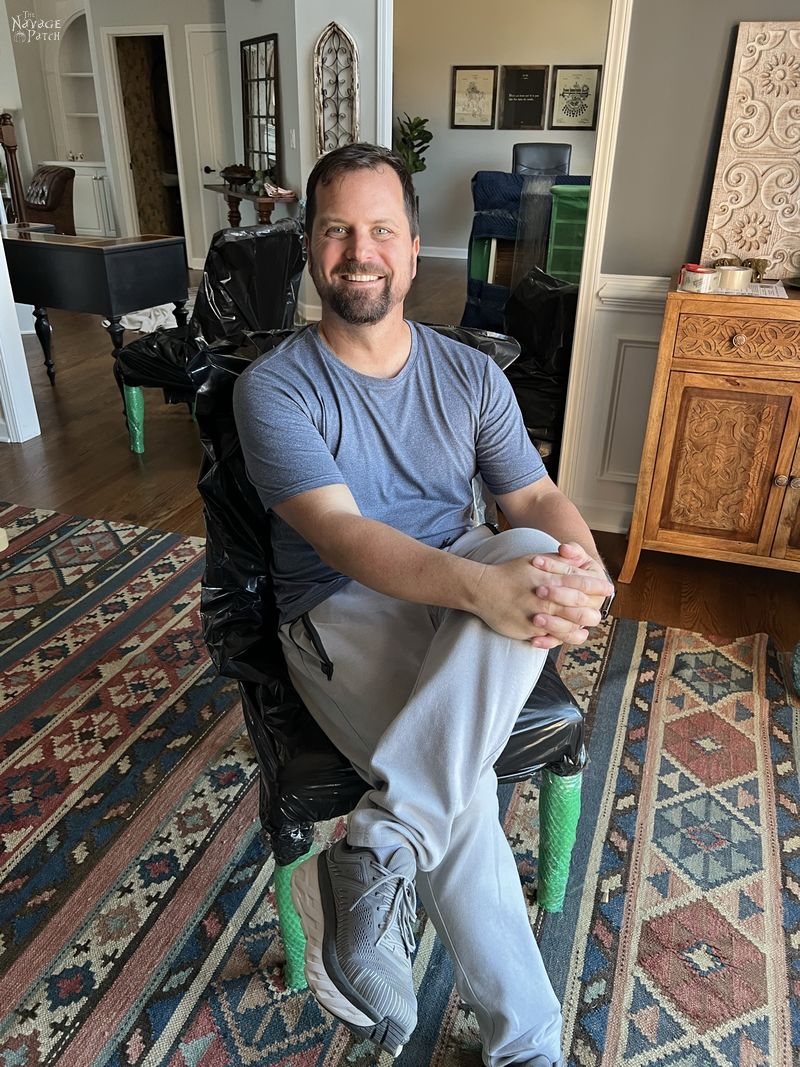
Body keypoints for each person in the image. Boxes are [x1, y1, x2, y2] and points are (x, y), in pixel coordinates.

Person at [233, 143, 614, 1067]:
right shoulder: (274, 387)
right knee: (462, 787)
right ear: (311, 248)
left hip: (456, 595)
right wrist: (487, 587)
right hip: (338, 611)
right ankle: (529, 1045)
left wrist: (584, 565)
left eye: (380, 232)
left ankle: (373, 850)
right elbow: (341, 537)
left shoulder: (470, 375)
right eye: (336, 231)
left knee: (534, 547)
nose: (358, 252)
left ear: (411, 250)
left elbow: (531, 499)